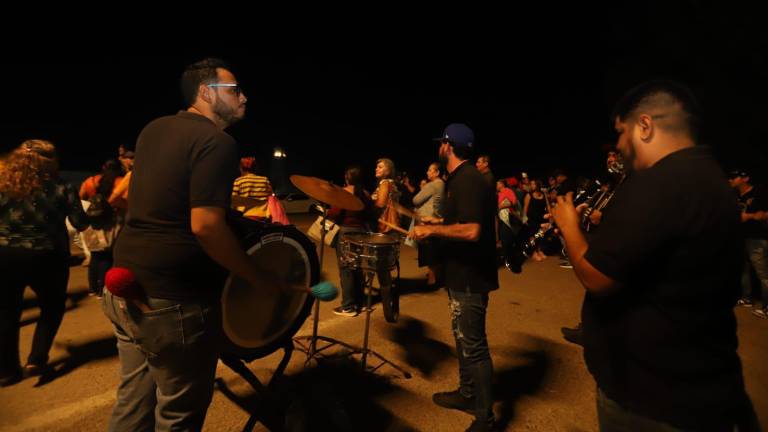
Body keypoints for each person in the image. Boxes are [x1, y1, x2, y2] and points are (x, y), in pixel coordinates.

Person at [551, 81, 758, 431]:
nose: (618, 145)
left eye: (620, 133)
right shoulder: (707, 178)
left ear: (645, 126)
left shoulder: (658, 183)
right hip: (698, 384)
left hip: (651, 398)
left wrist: (569, 226)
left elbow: (596, 277)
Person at [106, 58, 271, 431]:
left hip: (123, 282)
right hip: (174, 302)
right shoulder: (217, 142)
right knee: (179, 414)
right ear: (205, 93)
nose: (244, 98)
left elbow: (128, 196)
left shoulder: (153, 130)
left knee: (134, 399)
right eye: (235, 90)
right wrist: (257, 277)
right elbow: (206, 227)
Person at [410, 123, 498, 432]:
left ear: (448, 146)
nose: (438, 147)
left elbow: (473, 230)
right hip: (460, 273)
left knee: (474, 346)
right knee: (463, 339)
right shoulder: (460, 178)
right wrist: (438, 219)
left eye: (441, 143)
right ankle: (467, 393)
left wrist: (432, 229)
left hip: (472, 276)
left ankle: (485, 418)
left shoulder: (469, 180)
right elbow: (462, 220)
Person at [0, 140, 89, 386]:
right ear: (50, 161)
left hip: (5, 254)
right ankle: (36, 360)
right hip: (48, 256)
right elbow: (80, 223)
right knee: (52, 307)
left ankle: (6, 371)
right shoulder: (62, 187)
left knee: (6, 311)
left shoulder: (3, 185)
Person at [79, 159, 124, 296]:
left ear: (103, 167)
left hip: (93, 222)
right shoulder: (120, 181)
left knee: (95, 255)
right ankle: (102, 289)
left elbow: (80, 197)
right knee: (107, 256)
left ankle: (93, 288)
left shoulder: (90, 181)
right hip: (111, 221)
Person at [332, 166, 372, 316]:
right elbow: (370, 213)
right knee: (357, 268)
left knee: (346, 269)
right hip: (361, 232)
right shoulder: (365, 194)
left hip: (346, 232)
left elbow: (334, 213)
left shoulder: (344, 193)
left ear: (346, 178)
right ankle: (359, 302)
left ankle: (348, 306)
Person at [728, 170, 768, 317]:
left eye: (734, 177)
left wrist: (751, 216)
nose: (730, 180)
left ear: (745, 178)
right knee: (743, 269)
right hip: (741, 237)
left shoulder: (759, 192)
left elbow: (764, 214)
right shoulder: (736, 195)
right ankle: (747, 298)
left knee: (763, 273)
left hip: (757, 237)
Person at [412, 162, 445, 287]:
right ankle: (435, 275)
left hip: (428, 220)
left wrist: (423, 189)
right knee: (434, 248)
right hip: (437, 217)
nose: (427, 172)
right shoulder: (442, 184)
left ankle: (432, 279)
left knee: (429, 250)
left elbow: (415, 200)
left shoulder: (433, 185)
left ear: (437, 172)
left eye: (430, 170)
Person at [232, 156, 273, 220]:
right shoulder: (265, 180)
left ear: (241, 168)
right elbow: (270, 197)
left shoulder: (238, 181)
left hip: (245, 217)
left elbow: (233, 200)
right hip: (264, 216)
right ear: (255, 168)